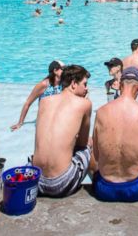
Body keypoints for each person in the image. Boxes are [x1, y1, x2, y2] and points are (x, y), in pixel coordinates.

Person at [91, 67, 138, 202]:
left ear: (120, 85)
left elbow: (97, 157)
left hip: (104, 189)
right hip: (137, 189)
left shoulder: (101, 112)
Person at [32, 65, 93, 198]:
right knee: (90, 143)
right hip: (61, 183)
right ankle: (97, 184)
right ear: (73, 84)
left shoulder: (44, 101)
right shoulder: (84, 104)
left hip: (36, 180)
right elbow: (82, 143)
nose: (87, 88)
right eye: (85, 84)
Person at [11, 60, 63, 130]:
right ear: (55, 71)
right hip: (46, 120)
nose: (66, 71)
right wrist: (20, 123)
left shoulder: (63, 83)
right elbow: (28, 103)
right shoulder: (44, 85)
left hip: (58, 117)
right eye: (63, 68)